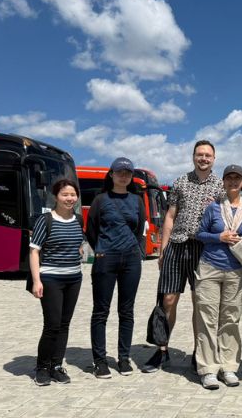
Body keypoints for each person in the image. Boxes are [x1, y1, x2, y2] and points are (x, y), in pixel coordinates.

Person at [143, 140, 224, 372]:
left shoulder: (220, 186)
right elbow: (170, 216)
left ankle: (200, 352)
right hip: (176, 246)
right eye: (200, 154)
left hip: (204, 249)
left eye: (208, 155)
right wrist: (163, 248)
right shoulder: (180, 182)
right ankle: (162, 350)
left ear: (214, 159)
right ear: (193, 156)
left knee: (201, 303)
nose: (203, 158)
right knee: (167, 300)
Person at [86, 157, 146, 378]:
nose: (123, 176)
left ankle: (124, 358)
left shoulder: (137, 200)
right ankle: (100, 361)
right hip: (106, 257)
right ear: (111, 174)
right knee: (101, 311)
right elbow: (91, 230)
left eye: (128, 173)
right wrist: (102, 249)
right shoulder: (100, 200)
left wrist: (133, 250)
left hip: (131, 259)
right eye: (119, 172)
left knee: (127, 311)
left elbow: (139, 230)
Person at [194, 165, 242, 389]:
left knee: (230, 320)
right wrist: (219, 237)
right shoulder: (213, 207)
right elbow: (200, 234)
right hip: (210, 267)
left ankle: (229, 366)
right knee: (207, 319)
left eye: (237, 178)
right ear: (224, 182)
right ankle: (208, 369)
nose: (233, 182)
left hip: (236, 269)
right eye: (229, 178)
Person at [29, 179, 84, 386]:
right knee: (52, 324)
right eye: (65, 195)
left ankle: (57, 365)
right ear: (56, 197)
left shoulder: (78, 219)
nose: (69, 198)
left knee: (64, 324)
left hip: (74, 278)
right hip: (51, 278)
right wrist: (37, 281)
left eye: (73, 195)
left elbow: (80, 245)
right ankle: (42, 367)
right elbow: (34, 251)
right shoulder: (45, 220)